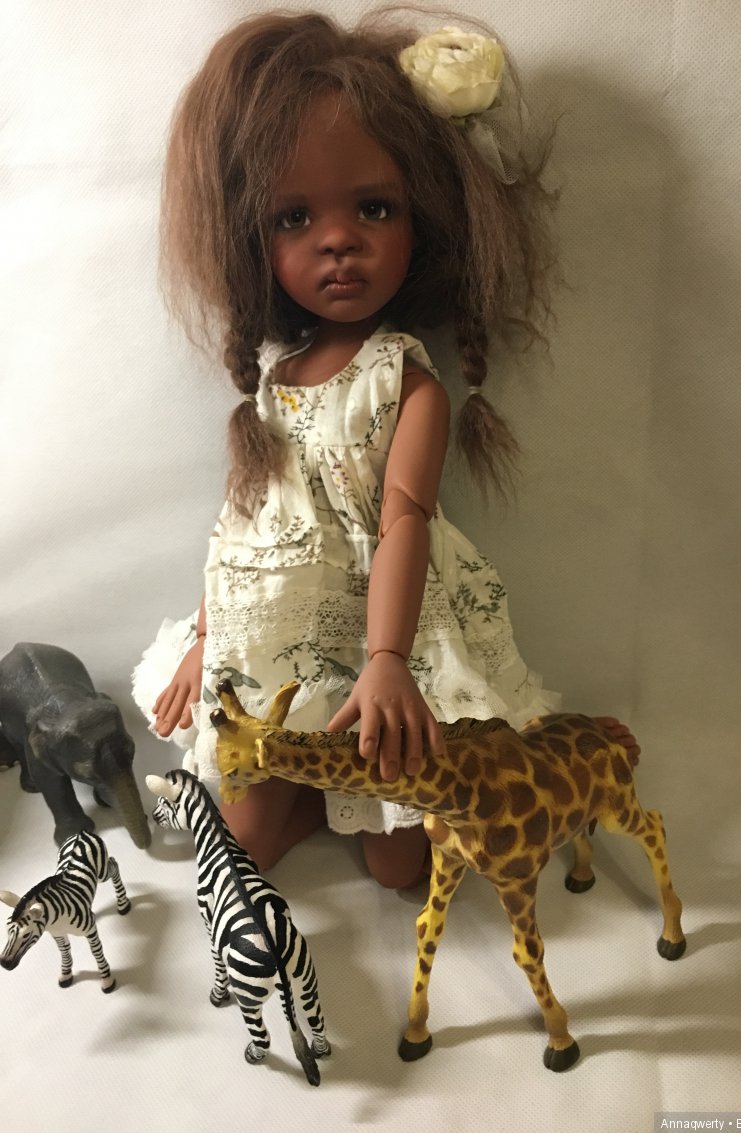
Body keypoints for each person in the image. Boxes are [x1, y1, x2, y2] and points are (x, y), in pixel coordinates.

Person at [133, 11, 639, 885]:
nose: (337, 238)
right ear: (255, 242)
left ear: (423, 221)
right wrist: (207, 638)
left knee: (402, 862)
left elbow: (405, 518)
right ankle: (302, 787)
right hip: (281, 623)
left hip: (383, 621)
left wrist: (388, 660)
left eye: (374, 208)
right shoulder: (274, 383)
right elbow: (245, 524)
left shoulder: (405, 383)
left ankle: (341, 784)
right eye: (294, 217)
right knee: (244, 846)